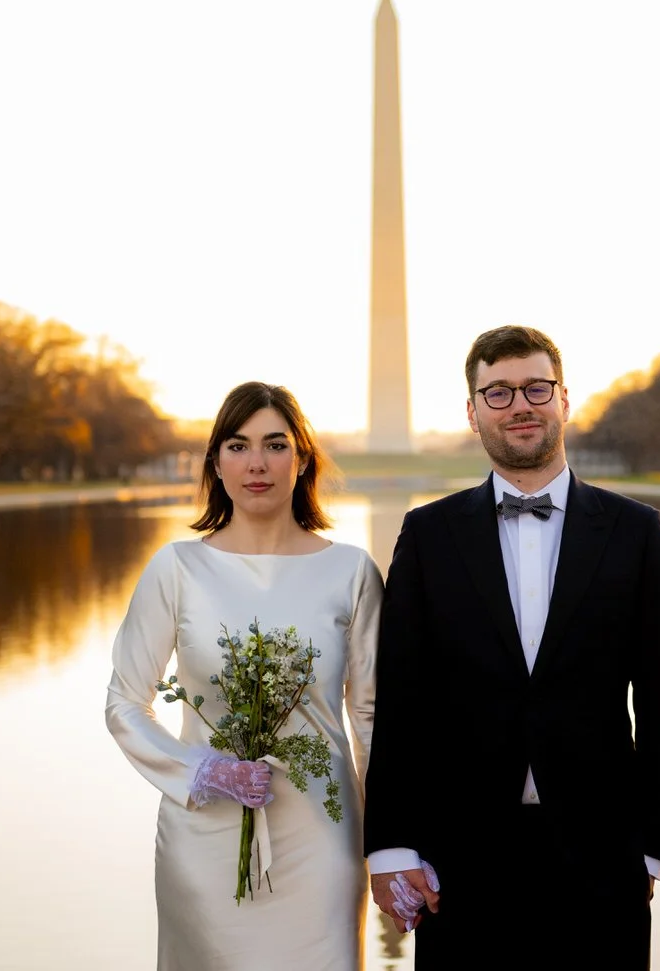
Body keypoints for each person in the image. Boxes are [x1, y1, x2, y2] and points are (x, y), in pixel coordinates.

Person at [363, 325, 660, 969]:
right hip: (458, 859)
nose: (519, 405)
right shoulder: (428, 535)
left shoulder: (637, 532)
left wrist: (654, 846)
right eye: (498, 392)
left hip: (604, 856)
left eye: (536, 388)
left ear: (563, 400)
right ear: (472, 412)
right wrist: (392, 848)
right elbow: (402, 701)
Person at [105, 381, 384, 971]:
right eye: (238, 446)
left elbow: (370, 717)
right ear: (216, 462)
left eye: (275, 445)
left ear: (302, 459)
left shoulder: (352, 571)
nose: (257, 463)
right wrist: (201, 770)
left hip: (323, 837)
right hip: (203, 839)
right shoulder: (176, 568)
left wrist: (391, 844)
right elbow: (125, 703)